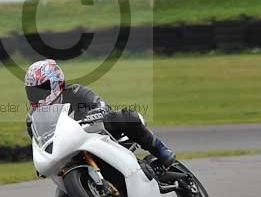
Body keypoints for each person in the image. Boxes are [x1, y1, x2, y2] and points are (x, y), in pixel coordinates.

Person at [24, 59, 176, 168]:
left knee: (127, 117)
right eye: (33, 91)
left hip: (98, 134)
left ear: (55, 81)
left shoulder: (75, 92)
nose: (38, 94)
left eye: (42, 88)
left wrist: (93, 115)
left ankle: (161, 150)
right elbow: (38, 145)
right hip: (70, 154)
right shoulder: (32, 118)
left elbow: (102, 106)